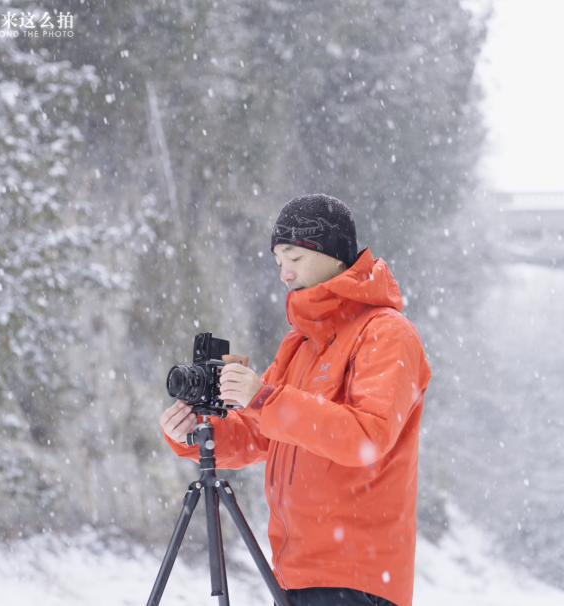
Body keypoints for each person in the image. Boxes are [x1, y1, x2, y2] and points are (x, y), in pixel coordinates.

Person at [159, 193, 430, 606]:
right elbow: (257, 436)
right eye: (278, 262)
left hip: (357, 579)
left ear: (335, 254)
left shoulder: (386, 333)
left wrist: (264, 398)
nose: (284, 274)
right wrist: (194, 435)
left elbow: (366, 437)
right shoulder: (300, 344)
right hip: (292, 576)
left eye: (294, 259)